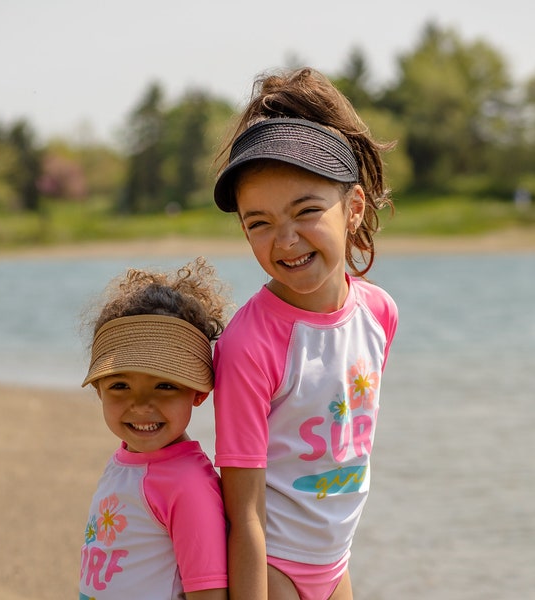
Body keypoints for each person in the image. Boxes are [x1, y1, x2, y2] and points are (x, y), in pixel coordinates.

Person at [211, 67, 399, 600]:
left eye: (307, 211)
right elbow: (243, 509)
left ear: (354, 208)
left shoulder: (379, 315)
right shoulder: (250, 345)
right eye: (259, 222)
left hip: (335, 564)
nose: (285, 240)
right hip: (273, 566)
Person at [79, 257, 228, 600]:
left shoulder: (188, 485)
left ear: (198, 392)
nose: (142, 404)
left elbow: (208, 593)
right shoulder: (122, 462)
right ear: (98, 388)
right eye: (120, 386)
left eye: (164, 386)